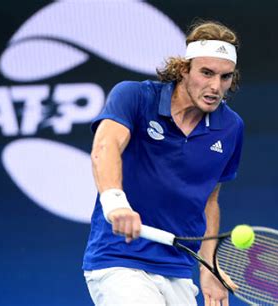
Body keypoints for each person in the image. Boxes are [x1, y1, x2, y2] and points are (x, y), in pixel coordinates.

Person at [83, 20, 244, 306]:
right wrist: (115, 202)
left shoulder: (230, 127)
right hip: (120, 259)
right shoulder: (134, 96)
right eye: (206, 73)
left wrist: (209, 268)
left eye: (225, 77)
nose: (215, 86)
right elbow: (105, 147)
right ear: (184, 69)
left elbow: (209, 201)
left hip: (177, 270)